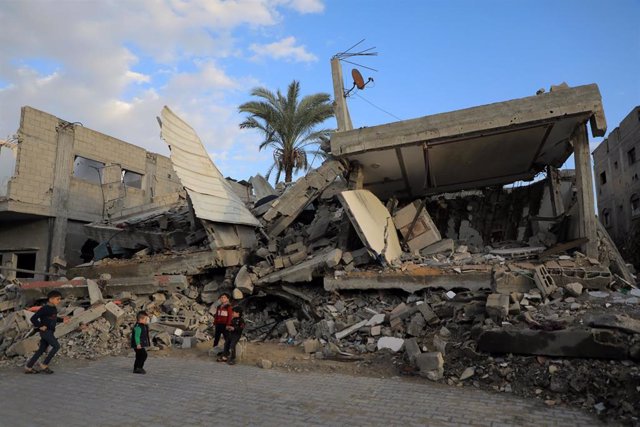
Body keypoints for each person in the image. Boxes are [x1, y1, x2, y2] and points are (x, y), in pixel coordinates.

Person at [25, 290, 68, 374]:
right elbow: (33, 318)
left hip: (50, 332)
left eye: (60, 299)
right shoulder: (44, 308)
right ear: (51, 299)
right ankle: (44, 364)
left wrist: (62, 319)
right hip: (46, 332)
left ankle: (28, 367)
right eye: (57, 299)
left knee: (41, 350)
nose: (59, 301)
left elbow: (53, 318)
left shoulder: (53, 308)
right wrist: (40, 325)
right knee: (56, 346)